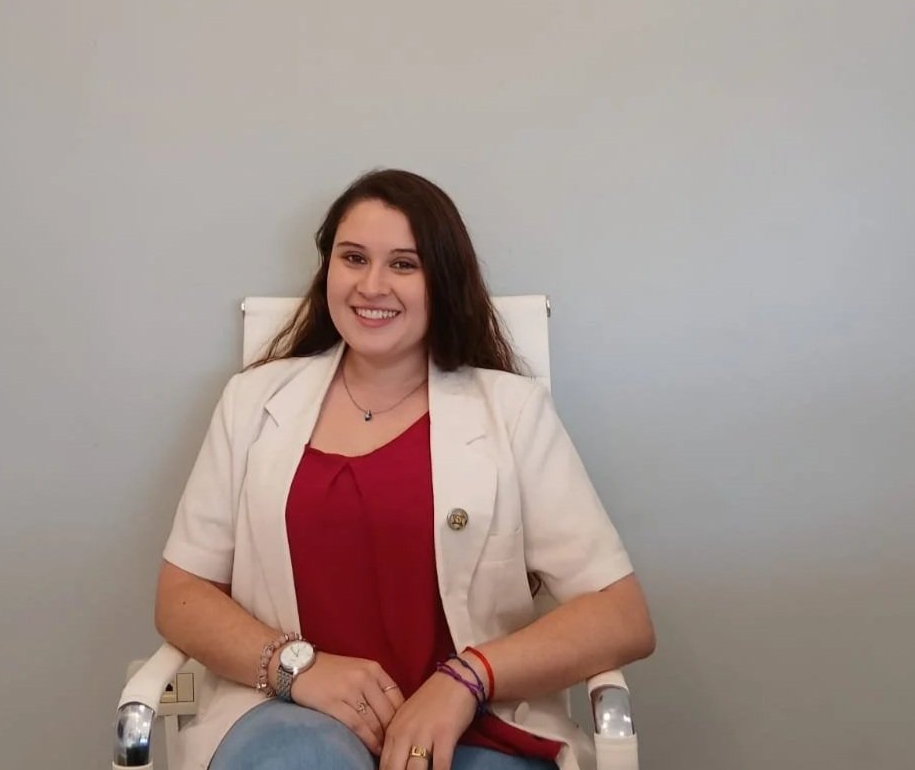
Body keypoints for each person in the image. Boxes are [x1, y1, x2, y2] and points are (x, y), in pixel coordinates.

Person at [155, 169, 655, 770]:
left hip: (475, 724)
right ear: (327, 269)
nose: (372, 285)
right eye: (353, 258)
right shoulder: (252, 401)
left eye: (404, 264)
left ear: (442, 280)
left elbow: (620, 615)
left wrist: (468, 677)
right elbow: (182, 596)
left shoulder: (513, 413)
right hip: (290, 714)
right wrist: (297, 667)